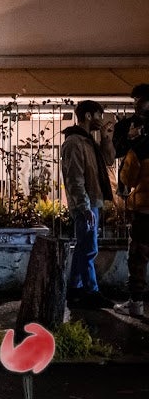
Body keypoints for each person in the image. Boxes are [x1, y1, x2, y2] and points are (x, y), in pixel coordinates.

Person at [61, 100, 114, 310]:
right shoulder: (75, 142)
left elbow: (109, 161)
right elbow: (74, 177)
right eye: (99, 115)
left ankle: (74, 289)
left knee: (84, 246)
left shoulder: (89, 141)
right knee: (89, 248)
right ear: (89, 116)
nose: (101, 120)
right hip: (86, 203)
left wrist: (107, 138)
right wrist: (83, 206)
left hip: (91, 200)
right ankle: (90, 292)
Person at [119, 137, 149, 316]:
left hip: (145, 213)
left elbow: (127, 179)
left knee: (139, 257)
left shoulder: (141, 147)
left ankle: (136, 304)